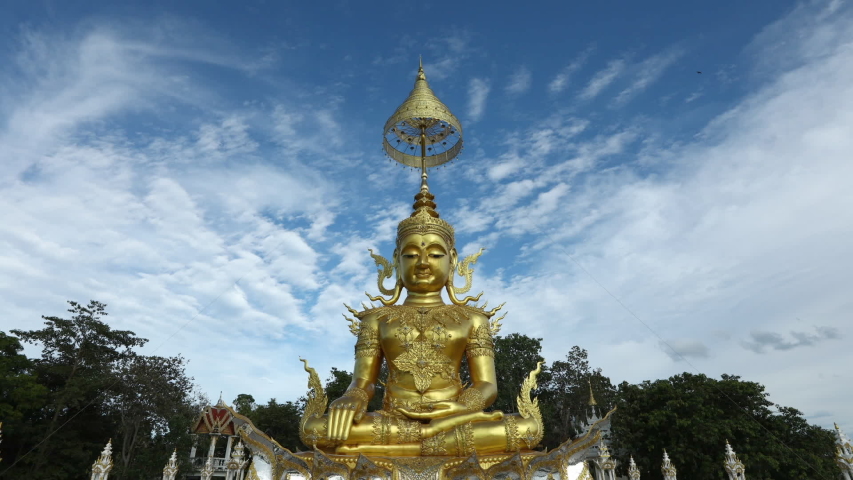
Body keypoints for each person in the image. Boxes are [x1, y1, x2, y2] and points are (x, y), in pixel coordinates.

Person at [300, 186, 543, 456]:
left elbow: (486, 385)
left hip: (454, 420)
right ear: (396, 260)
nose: (423, 262)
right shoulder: (376, 320)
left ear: (452, 261)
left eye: (436, 254)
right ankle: (426, 440)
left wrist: (464, 407)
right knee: (315, 429)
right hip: (392, 419)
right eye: (411, 254)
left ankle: (414, 442)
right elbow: (363, 382)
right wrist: (350, 399)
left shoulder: (473, 319)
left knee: (528, 429)